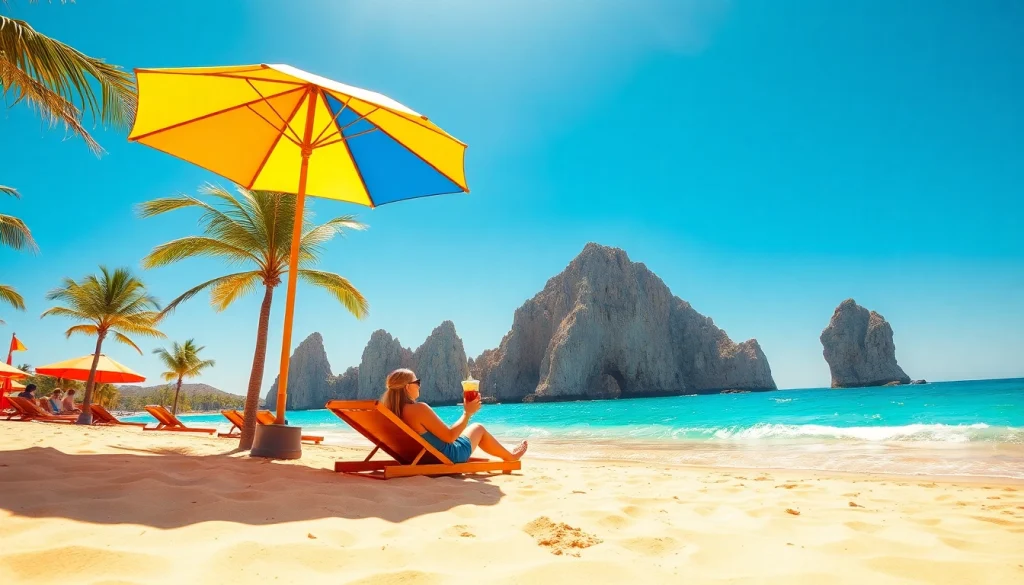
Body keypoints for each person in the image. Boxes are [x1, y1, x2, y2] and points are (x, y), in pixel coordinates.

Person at [381, 368, 527, 463]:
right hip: (450, 455)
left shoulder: (390, 412)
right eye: (417, 382)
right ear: (407, 387)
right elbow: (450, 437)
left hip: (419, 458)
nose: (419, 385)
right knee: (478, 427)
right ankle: (510, 457)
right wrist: (467, 413)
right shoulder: (418, 409)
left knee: (464, 431)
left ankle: (508, 455)